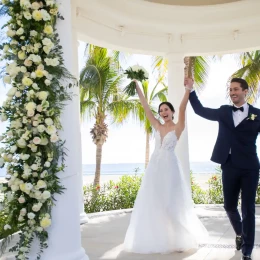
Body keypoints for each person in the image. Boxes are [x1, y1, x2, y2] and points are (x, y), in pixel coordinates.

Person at [123, 79, 208, 254]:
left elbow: (183, 108)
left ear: (172, 112)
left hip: (170, 168)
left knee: (171, 204)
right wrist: (137, 87)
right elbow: (146, 107)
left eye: (166, 110)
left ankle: (180, 239)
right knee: (155, 203)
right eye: (161, 110)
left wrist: (187, 89)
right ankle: (160, 239)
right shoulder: (157, 125)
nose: (163, 113)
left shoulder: (178, 127)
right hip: (155, 168)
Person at [186, 77, 260, 260]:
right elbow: (200, 110)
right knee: (229, 206)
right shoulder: (224, 112)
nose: (232, 92)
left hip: (250, 167)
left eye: (236, 89)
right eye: (230, 90)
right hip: (229, 165)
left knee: (248, 209)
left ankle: (247, 251)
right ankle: (240, 233)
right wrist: (190, 90)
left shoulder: (258, 114)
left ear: (245, 91)